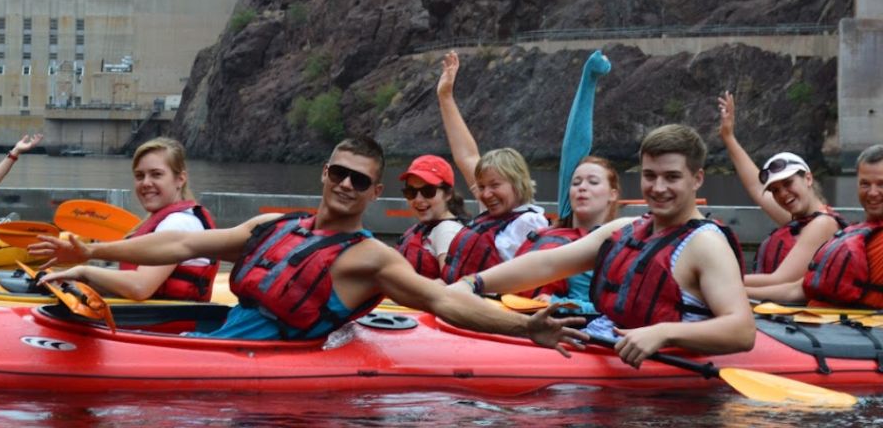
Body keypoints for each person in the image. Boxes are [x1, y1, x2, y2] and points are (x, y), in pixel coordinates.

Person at [32, 136, 587, 352]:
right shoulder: (275, 225)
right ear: (325, 173)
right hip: (223, 340)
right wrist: (90, 254)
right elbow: (181, 247)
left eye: (361, 181)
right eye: (340, 173)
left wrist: (526, 327)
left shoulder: (371, 257)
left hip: (268, 366)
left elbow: (443, 300)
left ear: (373, 193)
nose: (347, 185)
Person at [469, 124, 755, 367]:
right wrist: (474, 284)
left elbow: (742, 331)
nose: (657, 188)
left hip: (657, 378)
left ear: (697, 179)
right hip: (602, 348)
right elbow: (548, 263)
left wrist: (665, 333)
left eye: (672, 177)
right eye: (649, 175)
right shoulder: (627, 228)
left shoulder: (705, 244)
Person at [25, 137, 219, 301]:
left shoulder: (179, 223)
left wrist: (84, 272)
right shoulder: (171, 218)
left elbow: (140, 287)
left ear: (180, 179)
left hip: (165, 329)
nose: (146, 183)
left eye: (156, 174)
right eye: (139, 176)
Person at [436, 51, 548, 280]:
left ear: (518, 184)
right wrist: (445, 96)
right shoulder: (493, 208)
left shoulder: (530, 222)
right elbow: (466, 155)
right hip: (464, 296)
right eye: (481, 186)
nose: (485, 194)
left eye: (494, 185)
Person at [717, 92, 843, 287]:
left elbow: (781, 280)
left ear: (808, 178)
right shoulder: (799, 220)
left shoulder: (823, 224)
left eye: (788, 183)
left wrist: (715, 281)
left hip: (794, 314)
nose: (782, 194)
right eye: (775, 190)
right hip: (772, 310)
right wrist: (728, 137)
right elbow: (756, 187)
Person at [748, 145, 883, 307]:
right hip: (810, 324)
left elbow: (787, 284)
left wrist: (727, 287)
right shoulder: (859, 233)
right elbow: (798, 289)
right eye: (865, 184)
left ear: (808, 179)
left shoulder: (823, 223)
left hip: (850, 328)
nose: (873, 192)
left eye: (881, 184)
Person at [513, 156, 621, 309]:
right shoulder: (544, 233)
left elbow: (609, 308)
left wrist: (558, 304)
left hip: (570, 327)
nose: (582, 187)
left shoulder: (616, 247)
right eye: (576, 183)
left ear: (613, 194)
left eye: (593, 182)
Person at [394, 155, 467, 279]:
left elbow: (450, 286)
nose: (418, 199)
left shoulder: (447, 231)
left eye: (428, 191)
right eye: (411, 192)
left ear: (448, 194)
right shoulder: (426, 227)